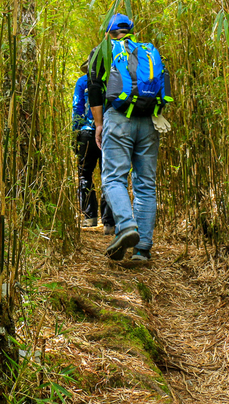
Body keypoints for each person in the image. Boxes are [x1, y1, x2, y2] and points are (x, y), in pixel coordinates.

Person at [89, 13, 170, 262]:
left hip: (119, 119)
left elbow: (93, 87)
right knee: (145, 183)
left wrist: (99, 124)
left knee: (113, 178)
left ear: (108, 32)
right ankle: (143, 249)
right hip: (149, 121)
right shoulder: (146, 51)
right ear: (131, 31)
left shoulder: (103, 50)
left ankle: (126, 226)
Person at [72, 56, 114, 232]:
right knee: (109, 175)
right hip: (109, 132)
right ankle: (109, 222)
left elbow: (77, 108)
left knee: (85, 174)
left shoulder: (82, 82)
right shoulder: (113, 81)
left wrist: (75, 133)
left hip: (87, 133)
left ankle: (90, 217)